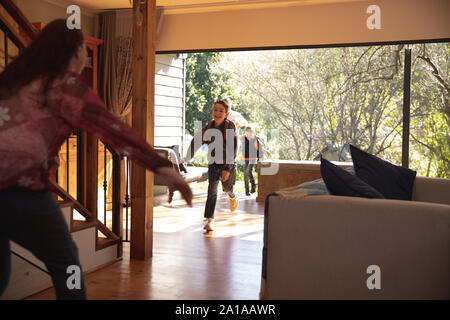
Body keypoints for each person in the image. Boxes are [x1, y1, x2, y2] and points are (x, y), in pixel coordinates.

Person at [0, 19, 192, 300]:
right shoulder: (65, 87)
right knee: (66, 264)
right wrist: (165, 168)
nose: (86, 59)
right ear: (75, 53)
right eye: (84, 52)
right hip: (22, 191)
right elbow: (116, 131)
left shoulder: (11, 81)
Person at [181, 100, 238, 231]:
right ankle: (209, 219)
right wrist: (187, 157)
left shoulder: (229, 127)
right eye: (215, 110)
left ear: (226, 113)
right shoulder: (209, 126)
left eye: (221, 111)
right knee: (212, 190)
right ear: (212, 111)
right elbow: (197, 140)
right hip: (213, 163)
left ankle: (232, 196)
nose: (217, 113)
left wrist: (227, 169)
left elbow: (232, 149)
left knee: (227, 188)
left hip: (227, 164)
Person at [241, 126, 272, 196]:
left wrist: (267, 152)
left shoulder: (255, 140)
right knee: (245, 175)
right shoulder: (243, 138)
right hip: (244, 159)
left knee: (248, 171)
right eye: (248, 133)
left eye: (251, 133)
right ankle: (247, 191)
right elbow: (236, 137)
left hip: (252, 159)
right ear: (246, 132)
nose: (250, 134)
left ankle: (253, 185)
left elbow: (260, 148)